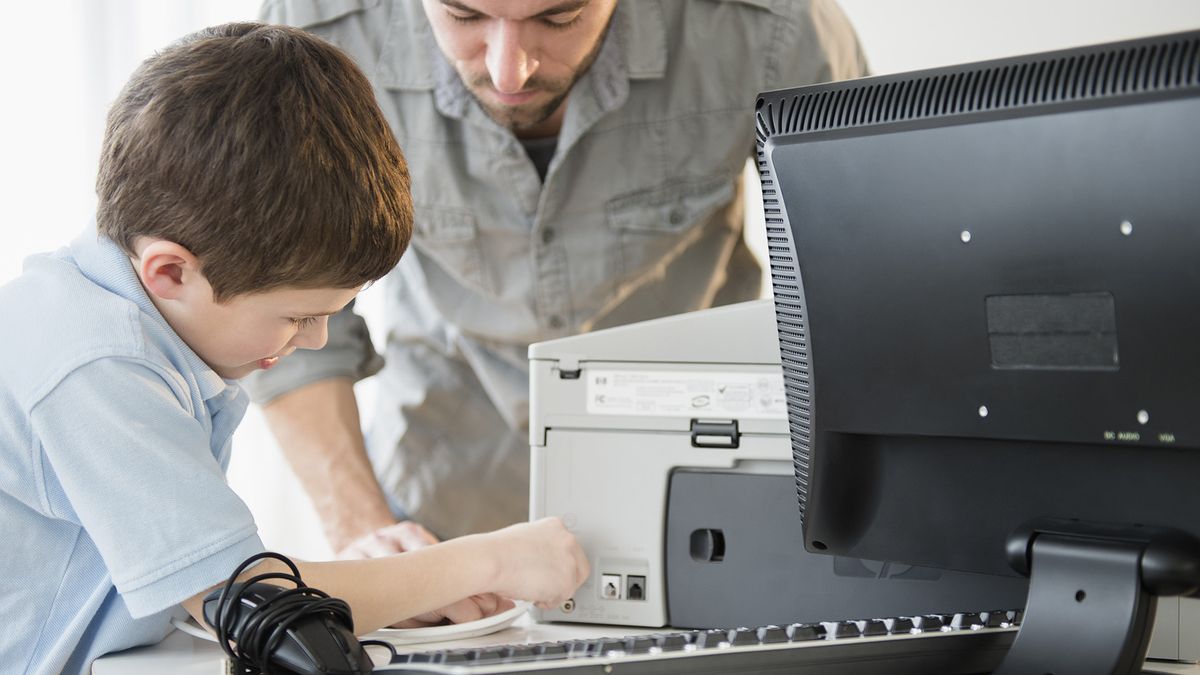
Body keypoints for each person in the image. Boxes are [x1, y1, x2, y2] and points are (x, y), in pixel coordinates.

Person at [0, 23, 587, 674]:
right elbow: (251, 604)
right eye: (298, 316)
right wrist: (492, 558)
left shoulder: (111, 317)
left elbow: (215, 581)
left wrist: (395, 582)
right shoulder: (94, 361)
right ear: (171, 272)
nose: (317, 339)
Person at [251, 0, 868, 555]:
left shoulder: (777, 26)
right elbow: (274, 306)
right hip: (442, 501)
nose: (507, 72)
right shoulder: (312, 32)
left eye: (559, 17)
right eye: (465, 17)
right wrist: (364, 530)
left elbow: (861, 285)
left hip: (708, 500)